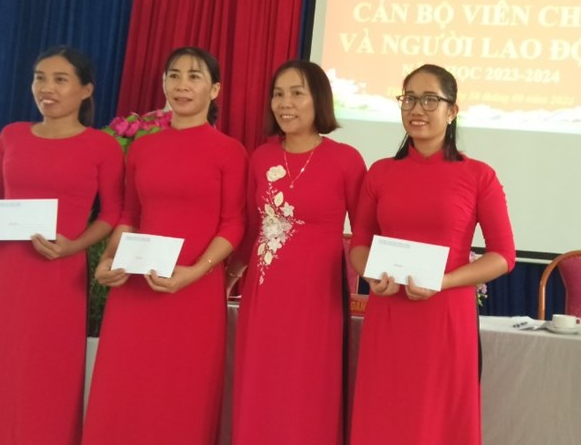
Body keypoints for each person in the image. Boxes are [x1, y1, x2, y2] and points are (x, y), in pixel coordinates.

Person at [0, 46, 124, 445]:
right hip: (5, 269)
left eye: (60, 80)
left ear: (86, 90)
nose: (47, 88)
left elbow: (112, 214)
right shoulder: (12, 135)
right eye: (40, 78)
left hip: (59, 272)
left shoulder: (102, 146)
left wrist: (74, 247)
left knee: (47, 367)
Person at [83, 47, 246, 444]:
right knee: (125, 388)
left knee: (181, 394)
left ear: (215, 89)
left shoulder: (229, 151)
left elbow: (234, 224)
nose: (182, 85)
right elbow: (129, 215)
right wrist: (108, 259)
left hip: (194, 289)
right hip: (135, 287)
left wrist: (195, 271)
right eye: (174, 75)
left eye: (194, 76)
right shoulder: (143, 148)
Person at [347, 64, 515, 445]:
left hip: (446, 317)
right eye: (408, 99)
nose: (416, 109)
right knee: (385, 416)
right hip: (388, 312)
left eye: (429, 100)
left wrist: (445, 280)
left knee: (439, 422)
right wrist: (371, 275)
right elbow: (359, 245)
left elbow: (503, 255)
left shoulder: (479, 176)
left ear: (452, 111)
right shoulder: (380, 173)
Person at [229, 60, 366, 444]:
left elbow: (365, 233)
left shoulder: (346, 159)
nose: (284, 103)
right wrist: (227, 277)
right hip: (264, 292)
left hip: (318, 297)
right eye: (278, 94)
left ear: (318, 99)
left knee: (308, 386)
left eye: (296, 93)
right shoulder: (261, 157)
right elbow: (252, 229)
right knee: (262, 382)